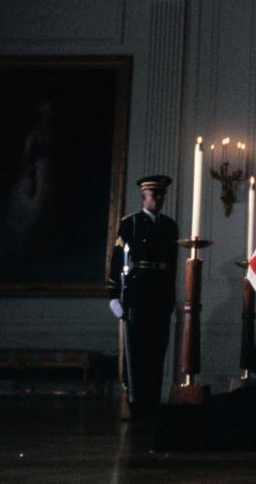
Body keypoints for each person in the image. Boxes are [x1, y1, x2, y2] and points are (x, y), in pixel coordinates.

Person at [106, 175, 179, 418]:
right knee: (137, 351)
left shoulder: (169, 226)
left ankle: (152, 402)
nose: (158, 199)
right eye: (153, 195)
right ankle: (136, 403)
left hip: (159, 295)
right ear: (143, 197)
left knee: (157, 351)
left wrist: (170, 297)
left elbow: (172, 266)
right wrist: (113, 295)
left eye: (161, 195)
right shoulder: (131, 224)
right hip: (137, 295)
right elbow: (118, 260)